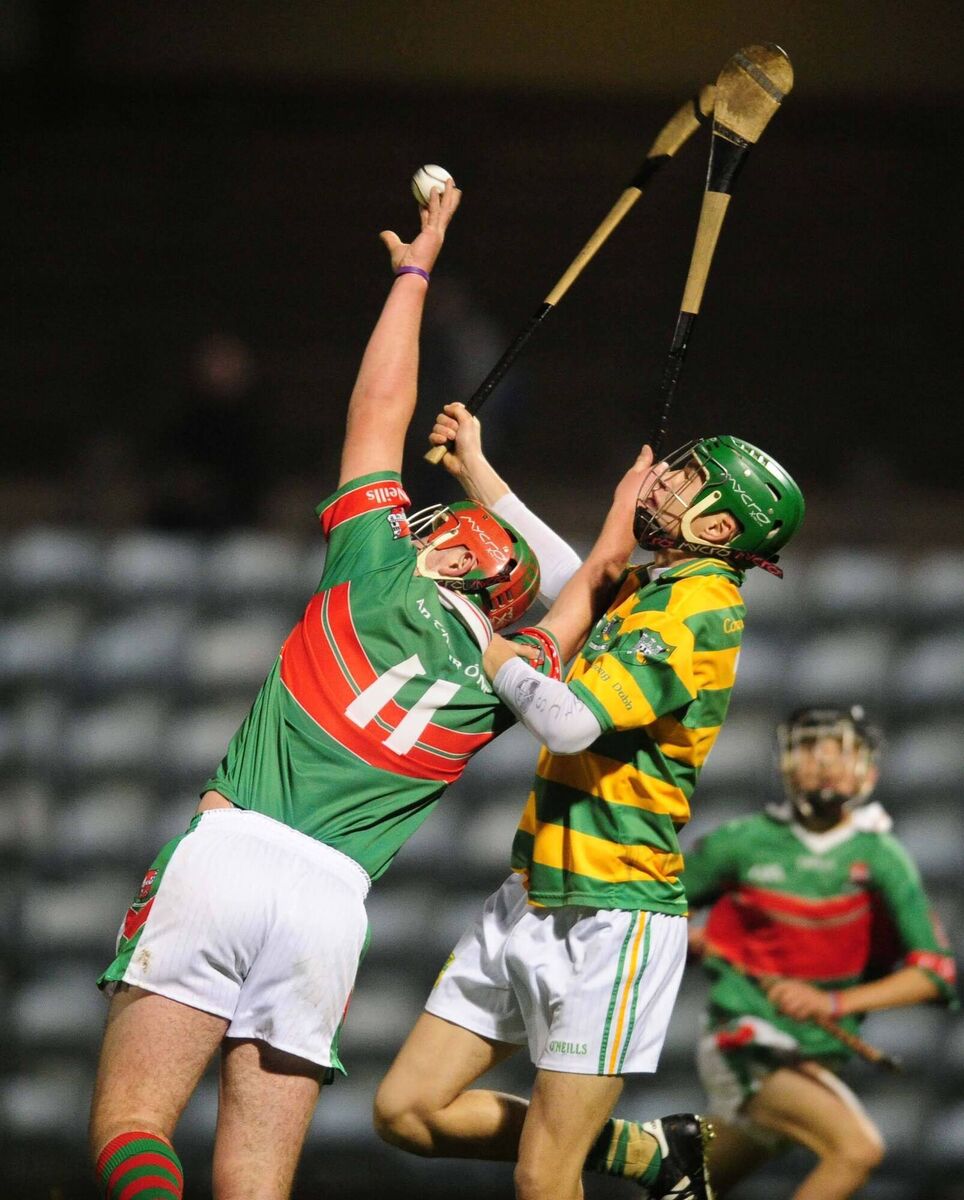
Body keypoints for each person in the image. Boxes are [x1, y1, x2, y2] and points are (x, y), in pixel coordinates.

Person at [86, 178, 576, 1200]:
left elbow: (379, 407)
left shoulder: (377, 562)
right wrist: (579, 514)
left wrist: (414, 270)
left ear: (442, 548)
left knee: (133, 1128)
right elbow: (582, 589)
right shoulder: (505, 680)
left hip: (228, 855)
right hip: (331, 909)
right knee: (256, 1186)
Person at [374, 415, 806, 1200]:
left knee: (546, 1176)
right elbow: (574, 575)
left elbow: (569, 721)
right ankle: (652, 1155)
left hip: (615, 914)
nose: (661, 480)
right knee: (407, 1112)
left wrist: (481, 635)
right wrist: (478, 473)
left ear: (714, 526)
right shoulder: (659, 586)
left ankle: (622, 1155)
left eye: (683, 479)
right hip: (532, 894)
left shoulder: (700, 607)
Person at [683, 705, 957, 1200]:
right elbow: (657, 908)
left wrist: (833, 1004)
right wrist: (682, 938)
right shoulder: (740, 843)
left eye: (842, 750)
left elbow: (934, 973)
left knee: (689, 1186)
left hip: (813, 1052)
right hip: (746, 1037)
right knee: (856, 1150)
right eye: (811, 747)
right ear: (786, 761)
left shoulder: (881, 856)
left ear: (868, 769)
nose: (826, 762)